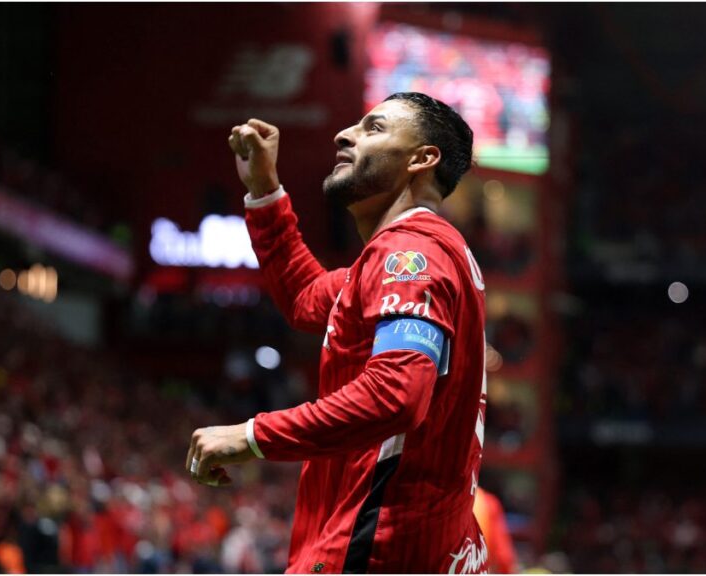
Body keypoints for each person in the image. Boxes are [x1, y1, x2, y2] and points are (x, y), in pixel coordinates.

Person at [187, 92, 489, 573]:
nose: (343, 134)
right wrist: (265, 192)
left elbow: (396, 394)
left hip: (379, 546)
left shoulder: (411, 256)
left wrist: (252, 436)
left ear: (423, 159)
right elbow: (307, 296)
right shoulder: (403, 257)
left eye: (374, 128)